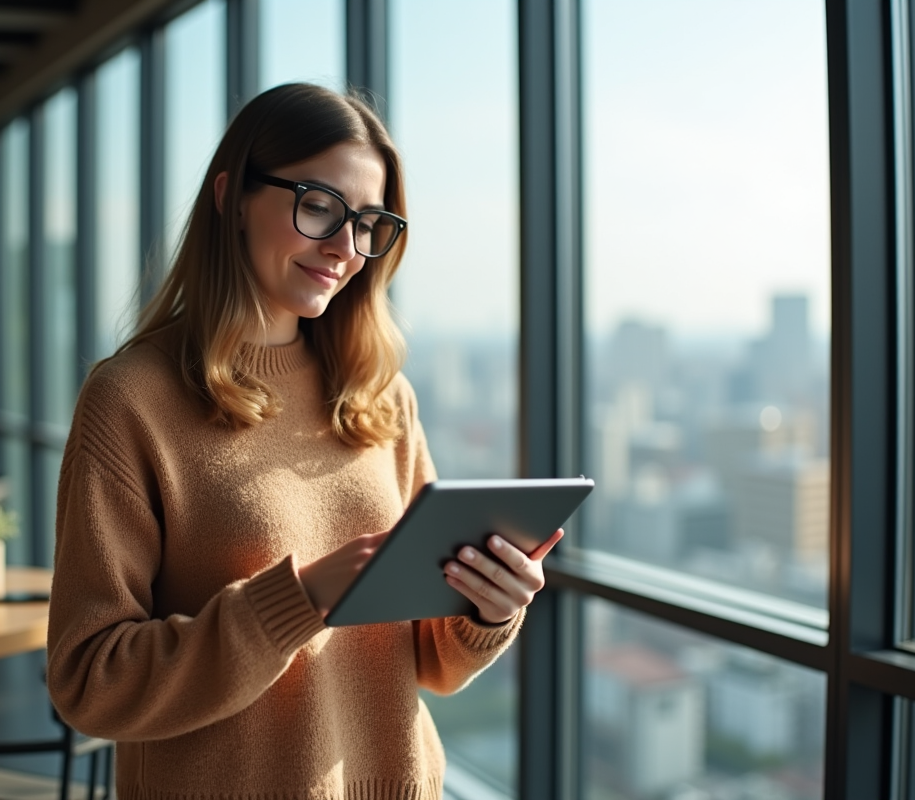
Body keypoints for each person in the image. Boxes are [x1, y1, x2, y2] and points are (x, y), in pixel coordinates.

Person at [46, 83, 563, 797]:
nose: (346, 249)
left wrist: (490, 608)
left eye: (367, 223)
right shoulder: (132, 399)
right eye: (318, 206)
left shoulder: (380, 395)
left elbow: (431, 661)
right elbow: (89, 682)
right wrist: (296, 601)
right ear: (231, 196)